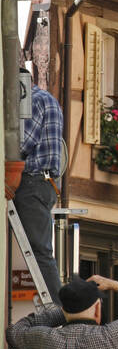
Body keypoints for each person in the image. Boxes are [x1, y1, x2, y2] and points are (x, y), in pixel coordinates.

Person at [14, 85, 64, 302]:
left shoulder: (33, 100)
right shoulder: (47, 98)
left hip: (32, 180)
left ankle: (57, 309)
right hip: (43, 182)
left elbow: (22, 144)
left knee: (39, 252)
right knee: (40, 251)